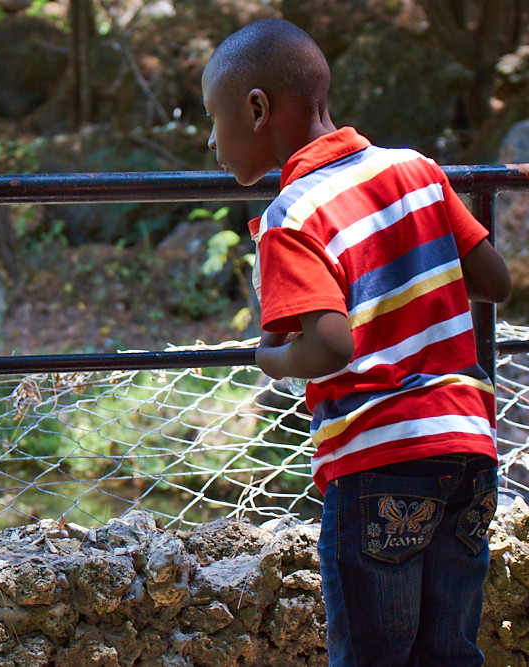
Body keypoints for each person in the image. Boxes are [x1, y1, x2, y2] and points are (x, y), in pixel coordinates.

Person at [201, 17, 512, 666]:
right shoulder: (415, 168)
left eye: (213, 118)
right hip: (468, 445)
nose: (210, 139)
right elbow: (495, 282)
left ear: (256, 109)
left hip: (378, 460)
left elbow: (330, 346)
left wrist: (270, 359)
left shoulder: (292, 216)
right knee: (449, 652)